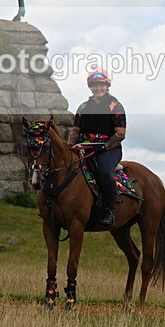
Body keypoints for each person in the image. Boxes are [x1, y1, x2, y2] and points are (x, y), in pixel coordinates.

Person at [67, 68, 126, 227]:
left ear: (107, 86)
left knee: (104, 173)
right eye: (94, 85)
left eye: (101, 85)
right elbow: (75, 130)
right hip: (85, 147)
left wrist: (105, 146)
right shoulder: (83, 107)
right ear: (90, 87)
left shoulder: (115, 106)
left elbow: (120, 134)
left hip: (109, 148)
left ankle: (109, 209)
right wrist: (69, 147)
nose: (98, 88)